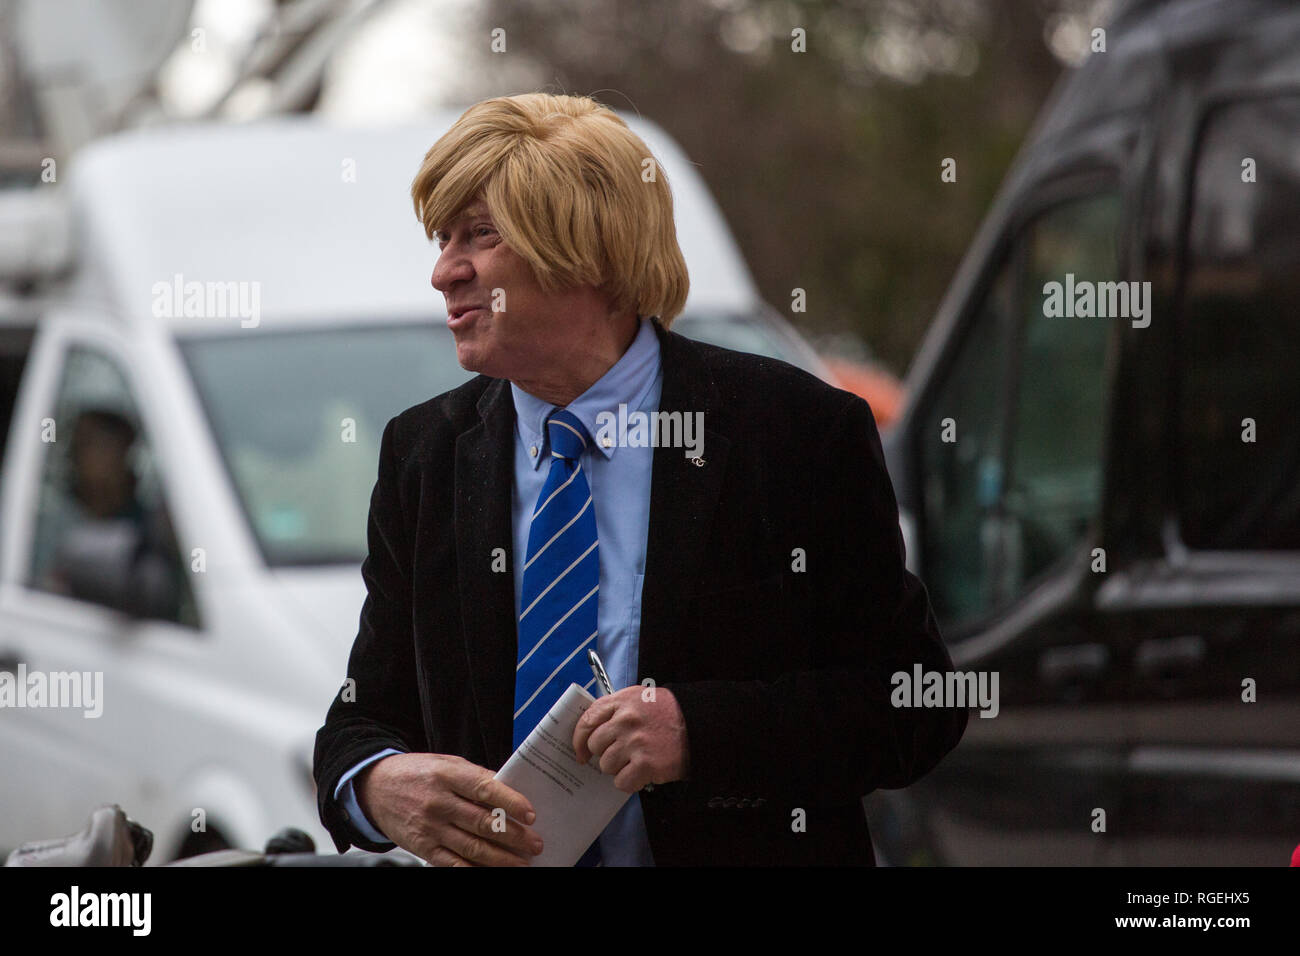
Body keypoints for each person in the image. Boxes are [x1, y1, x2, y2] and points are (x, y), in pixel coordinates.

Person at [313, 92, 966, 866]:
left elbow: (914, 700)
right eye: (443, 238)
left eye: (479, 236)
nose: (443, 272)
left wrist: (699, 731)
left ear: (587, 249)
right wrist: (378, 784)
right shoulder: (425, 454)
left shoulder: (793, 432)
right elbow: (363, 715)